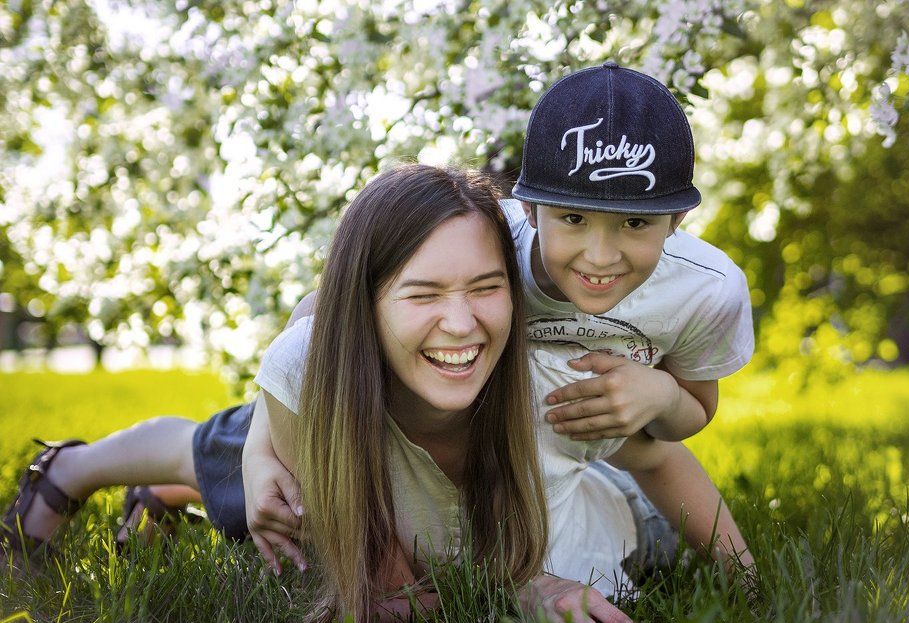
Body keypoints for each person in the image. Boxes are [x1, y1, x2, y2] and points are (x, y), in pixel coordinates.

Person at [1, 164, 656, 623]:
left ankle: (168, 491)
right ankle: (72, 470)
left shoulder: (542, 325)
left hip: (398, 426)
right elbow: (314, 319)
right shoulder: (322, 374)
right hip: (341, 415)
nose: (460, 322)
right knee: (230, 467)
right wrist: (262, 451)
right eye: (424, 294)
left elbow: (655, 440)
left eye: (483, 290)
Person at [243, 63, 757, 593]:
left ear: (677, 221)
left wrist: (661, 394)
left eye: (635, 223)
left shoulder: (702, 292)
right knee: (240, 476)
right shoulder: (481, 241)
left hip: (547, 456)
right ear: (530, 210)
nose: (601, 257)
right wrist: (257, 451)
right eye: (575, 219)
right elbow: (319, 323)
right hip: (389, 420)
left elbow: (679, 429)